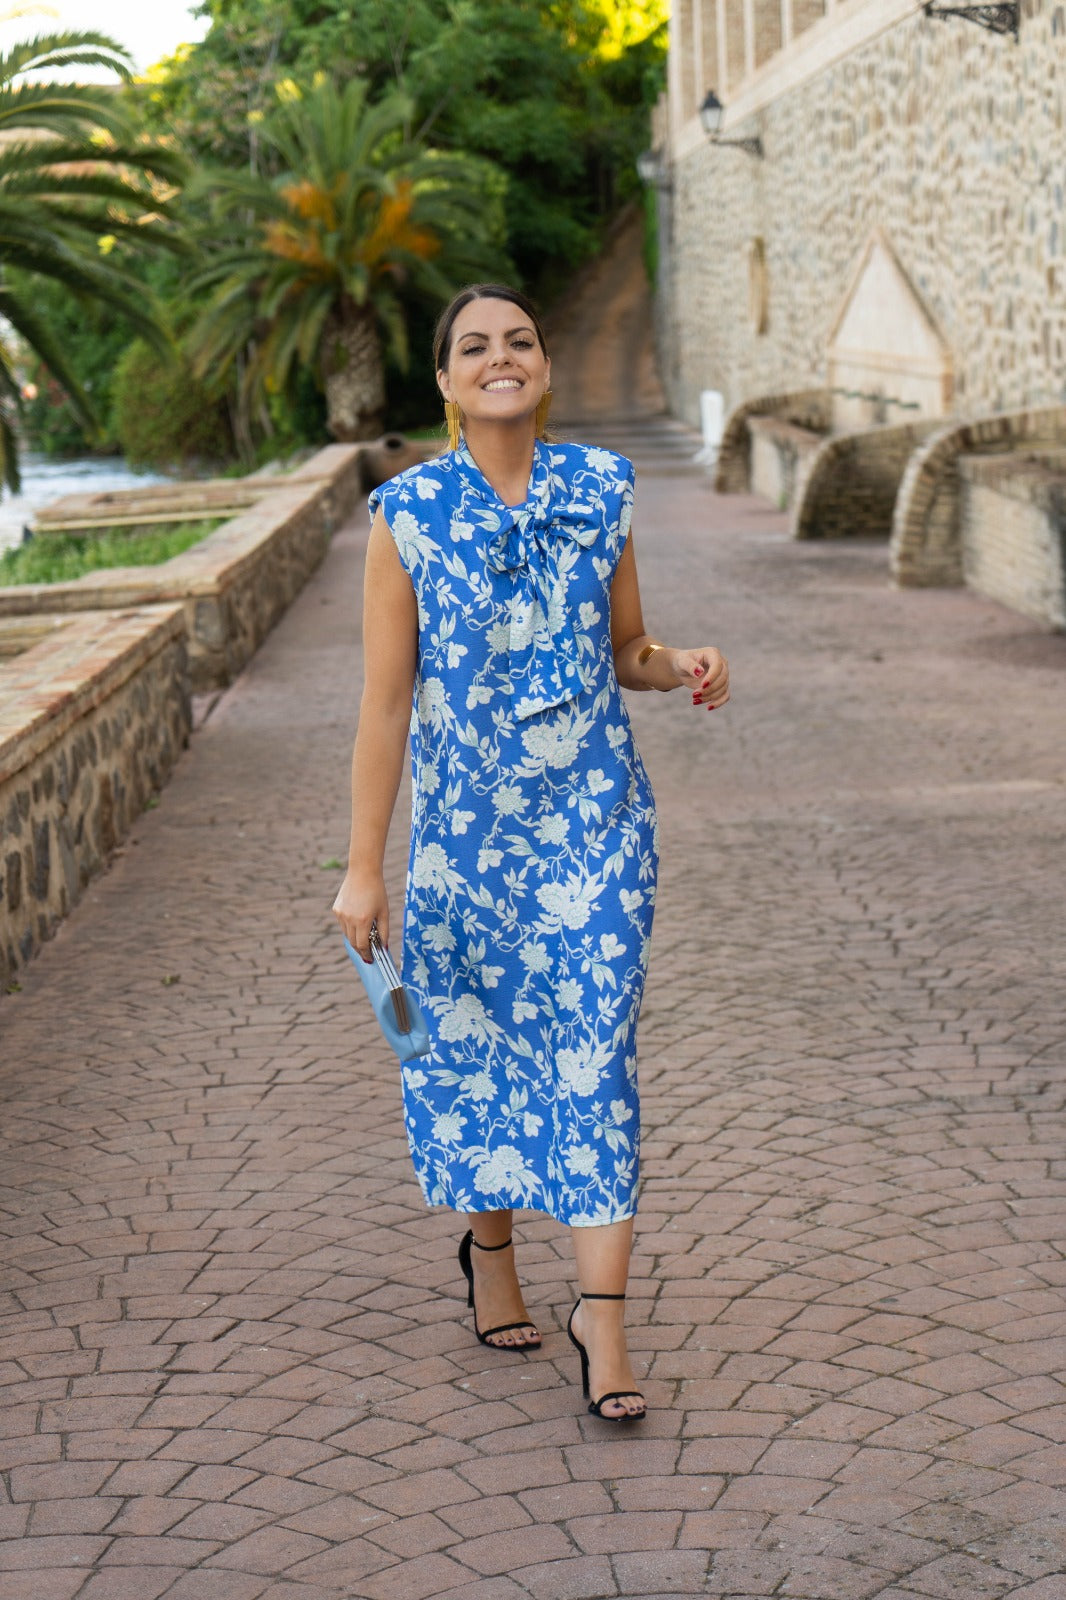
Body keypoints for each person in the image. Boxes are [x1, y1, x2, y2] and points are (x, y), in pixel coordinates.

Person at [333, 283, 729, 1422]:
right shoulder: (406, 515)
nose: (499, 357)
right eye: (474, 347)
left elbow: (626, 648)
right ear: (447, 382)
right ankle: (493, 1255)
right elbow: (385, 704)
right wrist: (364, 866)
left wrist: (677, 662)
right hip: (462, 849)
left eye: (519, 341)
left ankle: (603, 1322)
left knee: (595, 1055)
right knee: (475, 1053)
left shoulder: (601, 489)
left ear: (544, 368)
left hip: (598, 832)